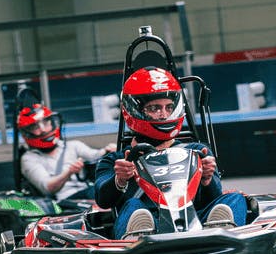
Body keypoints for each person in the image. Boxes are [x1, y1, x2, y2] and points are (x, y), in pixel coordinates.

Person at [94, 66, 248, 239]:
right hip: (148, 223)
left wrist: (207, 179)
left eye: (169, 107)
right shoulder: (117, 161)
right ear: (133, 110)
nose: (164, 115)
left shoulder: (197, 151)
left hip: (195, 222)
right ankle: (140, 236)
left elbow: (212, 198)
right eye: (154, 108)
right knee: (133, 206)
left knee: (235, 199)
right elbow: (102, 200)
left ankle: (220, 235)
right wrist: (120, 179)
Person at [18, 103, 114, 206]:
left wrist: (108, 151)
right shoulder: (28, 159)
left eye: (46, 123)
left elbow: (95, 156)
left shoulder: (73, 145)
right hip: (62, 202)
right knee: (102, 193)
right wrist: (69, 172)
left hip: (87, 193)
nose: (44, 130)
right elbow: (48, 188)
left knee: (111, 188)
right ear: (27, 133)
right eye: (35, 127)